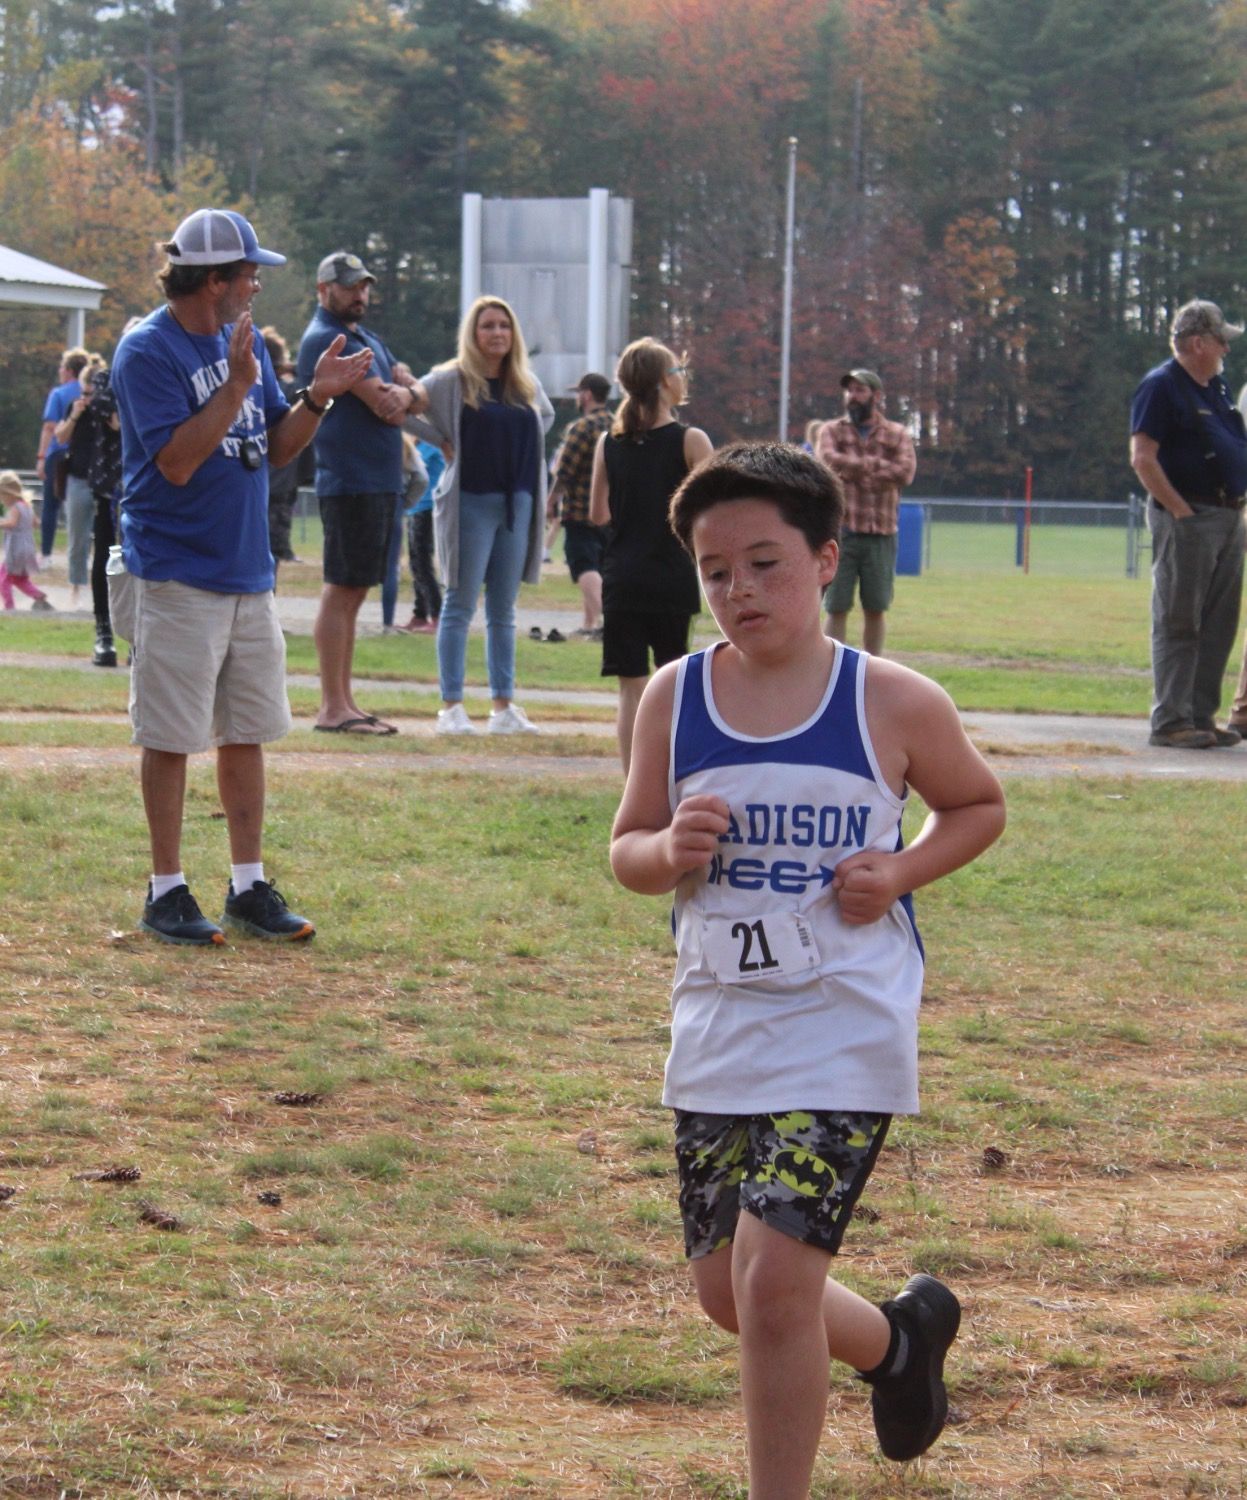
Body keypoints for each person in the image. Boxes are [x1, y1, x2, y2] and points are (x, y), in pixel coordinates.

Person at [609, 441, 1006, 1494]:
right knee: (726, 1294)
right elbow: (626, 850)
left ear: (828, 558)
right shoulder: (673, 698)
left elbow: (977, 805)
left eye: (764, 562)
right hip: (719, 1025)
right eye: (714, 570)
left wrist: (902, 867)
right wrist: (666, 853)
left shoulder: (892, 702)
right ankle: (897, 1343)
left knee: (774, 1285)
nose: (737, 590)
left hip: (844, 1022)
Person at [109, 207, 373, 945]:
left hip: (245, 572)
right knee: (169, 735)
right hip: (175, 572)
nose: (258, 283)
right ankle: (166, 892)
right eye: (250, 272)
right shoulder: (147, 350)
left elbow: (278, 447)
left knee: (245, 731)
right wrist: (232, 386)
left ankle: (248, 886)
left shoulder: (238, 340)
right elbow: (177, 462)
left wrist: (319, 394)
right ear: (215, 279)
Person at [408, 295, 554, 735]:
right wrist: (441, 440)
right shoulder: (451, 380)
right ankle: (451, 707)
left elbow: (542, 419)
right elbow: (402, 407)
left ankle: (503, 708)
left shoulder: (524, 384)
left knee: (503, 608)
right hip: (470, 502)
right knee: (459, 603)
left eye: (504, 327)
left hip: (518, 503)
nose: (496, 334)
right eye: (487, 326)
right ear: (473, 334)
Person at [298, 252, 424, 735]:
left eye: (364, 285)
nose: (359, 294)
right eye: (349, 286)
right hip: (350, 480)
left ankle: (345, 702)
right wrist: (407, 391)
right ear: (323, 288)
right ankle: (332, 707)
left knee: (354, 592)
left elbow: (408, 394)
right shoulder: (327, 340)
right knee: (342, 589)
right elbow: (391, 405)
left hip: (375, 480)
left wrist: (408, 390)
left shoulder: (363, 339)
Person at [589, 338, 712, 772]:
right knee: (673, 683)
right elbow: (716, 508)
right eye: (678, 372)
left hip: (622, 575)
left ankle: (632, 786)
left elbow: (597, 512)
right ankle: (673, 778)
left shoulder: (609, 442)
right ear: (664, 382)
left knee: (631, 688)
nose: (683, 379)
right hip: (669, 575)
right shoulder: (690, 440)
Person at [1130, 300, 1247, 749]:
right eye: (1220, 341)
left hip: (1227, 516)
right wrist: (1180, 511)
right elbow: (1143, 457)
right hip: (1189, 518)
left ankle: (1200, 717)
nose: (1225, 351)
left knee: (1220, 622)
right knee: (1180, 621)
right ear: (1197, 342)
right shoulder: (1161, 387)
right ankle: (1171, 721)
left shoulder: (1214, 387)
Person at [816, 369, 917, 657]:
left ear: (876, 395)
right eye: (850, 390)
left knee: (876, 606)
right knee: (836, 605)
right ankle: (833, 668)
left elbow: (905, 471)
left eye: (860, 390)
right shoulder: (832, 431)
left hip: (881, 534)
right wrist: (875, 466)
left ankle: (873, 668)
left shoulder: (897, 433)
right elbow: (827, 463)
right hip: (841, 534)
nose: (853, 396)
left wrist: (853, 469)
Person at [546, 372, 612, 639]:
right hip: (611, 512)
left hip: (580, 509)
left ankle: (609, 625)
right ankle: (589, 623)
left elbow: (565, 471)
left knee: (583, 565)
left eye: (578, 392)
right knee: (598, 566)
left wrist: (551, 501)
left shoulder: (581, 428)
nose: (576, 397)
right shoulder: (619, 424)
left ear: (586, 395)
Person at [53, 354, 107, 608]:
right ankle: (77, 586)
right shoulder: (76, 407)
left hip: (105, 481)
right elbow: (60, 437)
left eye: (91, 394)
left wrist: (106, 413)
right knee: (77, 537)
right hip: (78, 478)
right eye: (84, 393)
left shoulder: (108, 409)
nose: (87, 399)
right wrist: (75, 415)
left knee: (107, 537)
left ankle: (104, 588)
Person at [35, 348, 89, 565]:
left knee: (51, 504)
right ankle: (83, 555)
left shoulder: (59, 393)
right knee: (87, 506)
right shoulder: (89, 392)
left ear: (68, 370)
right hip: (84, 454)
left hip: (58, 452)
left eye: (61, 367)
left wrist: (41, 457)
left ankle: (46, 555)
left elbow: (49, 427)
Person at [261, 326, 301, 567]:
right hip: (277, 483)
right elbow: (306, 382)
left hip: (265, 480)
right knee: (271, 555)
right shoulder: (282, 389)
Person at [381, 433, 428, 630]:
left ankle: (345, 617)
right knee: (390, 566)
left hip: (359, 496)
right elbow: (421, 478)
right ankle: (387, 621)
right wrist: (406, 503)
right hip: (394, 499)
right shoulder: (402, 442)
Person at [400, 434, 443, 633]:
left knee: (423, 563)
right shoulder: (419, 444)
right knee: (416, 563)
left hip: (427, 508)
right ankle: (420, 613)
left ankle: (437, 615)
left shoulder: (434, 445)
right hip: (415, 509)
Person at [0, 471, 53, 611]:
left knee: (3, 579)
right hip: (27, 548)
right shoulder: (27, 506)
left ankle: (9, 608)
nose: (1, 500)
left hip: (16, 549)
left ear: (8, 493)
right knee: (19, 579)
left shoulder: (15, 507)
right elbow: (35, 523)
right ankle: (38, 596)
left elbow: (11, 524)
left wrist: (2, 523)